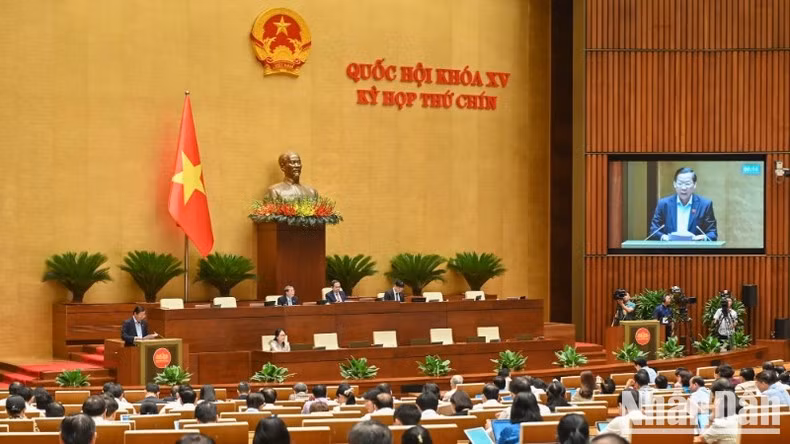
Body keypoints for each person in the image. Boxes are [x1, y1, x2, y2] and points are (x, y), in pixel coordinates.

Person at [648, 167, 718, 241]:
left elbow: (712, 233)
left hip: (694, 250)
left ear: (694, 185)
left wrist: (702, 237)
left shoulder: (705, 205)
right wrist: (665, 237)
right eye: (680, 183)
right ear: (674, 184)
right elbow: (654, 231)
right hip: (670, 250)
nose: (683, 188)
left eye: (687, 184)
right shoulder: (664, 204)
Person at [700, 379, 740, 444]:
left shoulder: (720, 424)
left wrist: (713, 414)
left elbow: (701, 440)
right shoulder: (745, 414)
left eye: (714, 398)